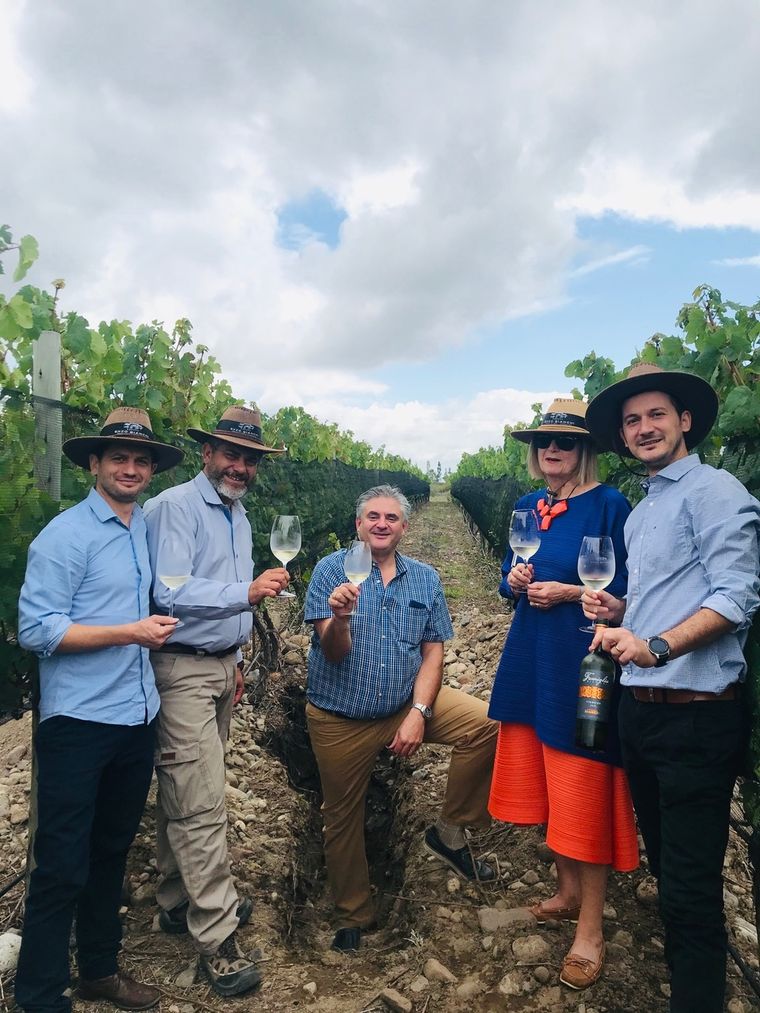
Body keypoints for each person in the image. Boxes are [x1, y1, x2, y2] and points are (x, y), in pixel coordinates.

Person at [582, 363, 760, 1012]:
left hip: (696, 718)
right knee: (667, 873)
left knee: (690, 894)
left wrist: (656, 645)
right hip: (641, 713)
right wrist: (620, 616)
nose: (643, 427)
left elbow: (737, 595)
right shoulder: (646, 506)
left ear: (685, 420)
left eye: (655, 414)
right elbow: (661, 600)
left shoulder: (715, 490)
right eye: (632, 421)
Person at [15, 408, 183, 1013]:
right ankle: (37, 997)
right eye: (119, 458)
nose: (131, 468)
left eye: (141, 461)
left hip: (135, 718)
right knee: (61, 864)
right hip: (80, 724)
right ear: (94, 464)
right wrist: (129, 633)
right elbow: (36, 628)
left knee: (110, 852)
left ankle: (98, 972)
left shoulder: (140, 529)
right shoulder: (65, 536)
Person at [305, 484, 498, 953]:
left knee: (486, 724)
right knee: (341, 815)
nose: (381, 524)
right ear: (358, 524)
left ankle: (450, 832)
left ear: (405, 527)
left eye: (391, 517)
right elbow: (330, 653)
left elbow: (434, 653)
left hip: (401, 708)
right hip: (340, 718)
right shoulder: (331, 571)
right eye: (372, 516)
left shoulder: (426, 579)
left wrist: (419, 711)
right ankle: (353, 912)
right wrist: (341, 619)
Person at [487, 398, 638, 990]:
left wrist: (571, 593)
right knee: (551, 777)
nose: (553, 451)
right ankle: (568, 892)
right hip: (532, 657)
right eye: (545, 443)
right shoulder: (529, 506)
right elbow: (507, 576)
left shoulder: (609, 505)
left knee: (585, 784)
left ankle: (591, 930)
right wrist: (516, 581)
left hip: (584, 661)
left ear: (586, 451)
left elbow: (627, 587)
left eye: (566, 443)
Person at [143, 405, 289, 998]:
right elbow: (169, 591)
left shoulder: (238, 514)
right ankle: (216, 937)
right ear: (207, 454)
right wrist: (246, 592)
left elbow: (225, 604)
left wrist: (235, 660)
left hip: (217, 669)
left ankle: (176, 902)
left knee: (185, 789)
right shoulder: (175, 507)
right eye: (231, 454)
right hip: (179, 669)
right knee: (201, 802)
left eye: (250, 458)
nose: (241, 466)